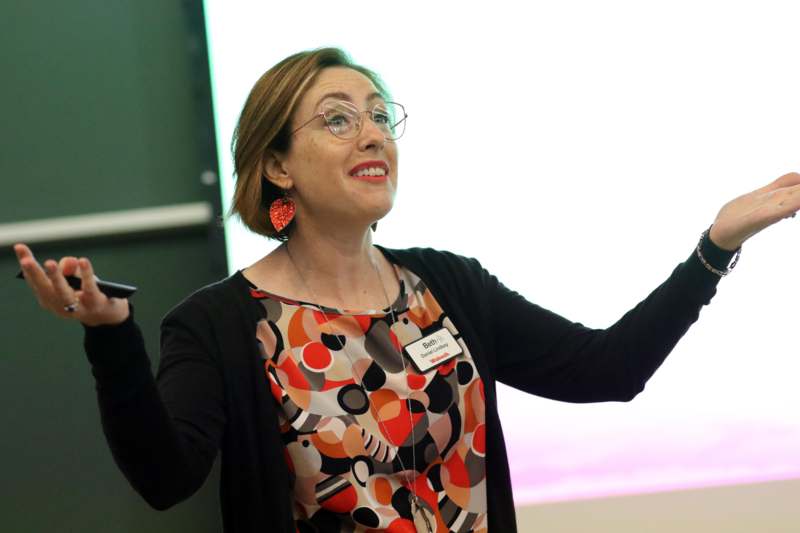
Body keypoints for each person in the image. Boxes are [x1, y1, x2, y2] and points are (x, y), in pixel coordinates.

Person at [12, 47, 800, 533]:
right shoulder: (218, 323)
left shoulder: (447, 284)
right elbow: (163, 478)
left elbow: (606, 370)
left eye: (379, 115)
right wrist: (111, 336)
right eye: (336, 119)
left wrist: (714, 246)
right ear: (278, 166)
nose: (372, 134)